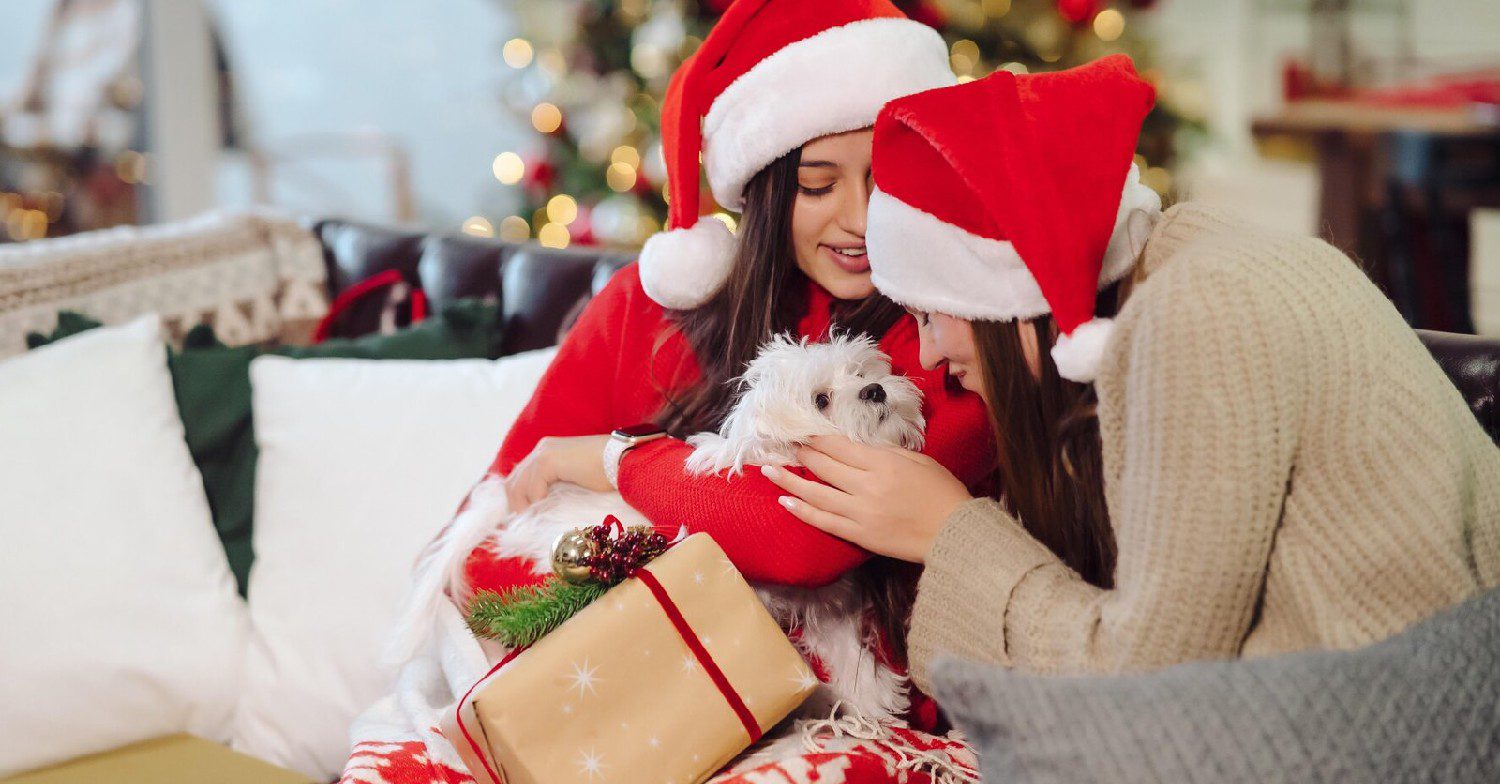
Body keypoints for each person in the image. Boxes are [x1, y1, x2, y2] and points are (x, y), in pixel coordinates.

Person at [341, 3, 991, 782]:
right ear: (763, 192)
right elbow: (490, 523)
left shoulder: (952, 329)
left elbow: (802, 537)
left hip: (848, 727)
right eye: (818, 186)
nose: (859, 219)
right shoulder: (648, 312)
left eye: (886, 182)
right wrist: (601, 594)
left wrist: (607, 462)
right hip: (620, 710)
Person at [762, 55, 1500, 691]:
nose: (927, 359)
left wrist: (949, 530)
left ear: (1007, 296)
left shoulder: (1197, 319)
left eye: (930, 313)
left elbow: (1149, 682)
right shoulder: (1170, 269)